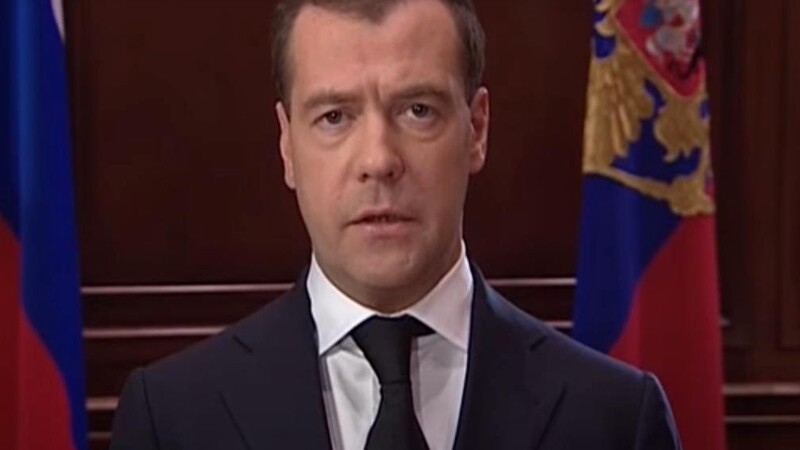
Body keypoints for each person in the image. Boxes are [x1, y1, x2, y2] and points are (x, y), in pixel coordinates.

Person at [109, 0, 682, 449]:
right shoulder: (173, 418)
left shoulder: (613, 419)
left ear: (477, 129)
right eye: (335, 117)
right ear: (286, 145)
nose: (379, 159)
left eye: (418, 110)